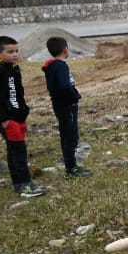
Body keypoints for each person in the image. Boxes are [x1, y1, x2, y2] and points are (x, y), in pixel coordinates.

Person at [0, 35, 44, 198]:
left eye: (16, 51)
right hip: (6, 119)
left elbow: (18, 94)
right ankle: (23, 185)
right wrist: (3, 119)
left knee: (15, 149)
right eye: (10, 52)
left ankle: (21, 182)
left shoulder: (13, 70)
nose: (15, 54)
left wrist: (23, 113)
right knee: (18, 150)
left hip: (17, 117)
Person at [41, 35, 90, 178]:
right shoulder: (60, 66)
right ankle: (71, 168)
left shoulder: (51, 66)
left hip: (60, 105)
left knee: (68, 135)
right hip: (67, 106)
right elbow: (64, 86)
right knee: (70, 136)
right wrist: (74, 96)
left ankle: (71, 165)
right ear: (65, 50)